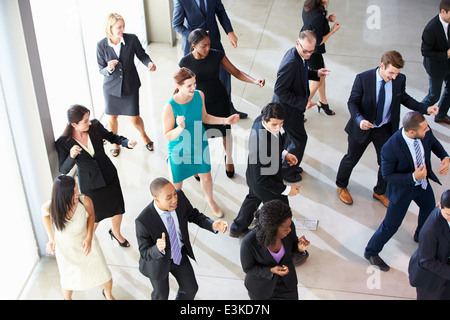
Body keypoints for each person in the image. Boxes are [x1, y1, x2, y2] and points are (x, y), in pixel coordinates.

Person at [336, 50, 439, 207]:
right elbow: (352, 102)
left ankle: (380, 191)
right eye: (391, 73)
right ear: (382, 65)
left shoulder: (398, 79)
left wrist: (426, 108)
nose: (394, 77)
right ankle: (341, 185)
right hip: (363, 127)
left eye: (397, 73)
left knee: (386, 163)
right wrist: (359, 120)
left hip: (384, 129)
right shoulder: (363, 78)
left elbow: (404, 98)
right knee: (351, 158)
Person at [364, 112, 449, 272]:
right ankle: (371, 252)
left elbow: (434, 143)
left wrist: (445, 156)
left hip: (422, 185)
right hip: (402, 190)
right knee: (391, 225)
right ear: (411, 132)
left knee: (428, 209)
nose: (428, 130)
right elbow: (387, 175)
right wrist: (412, 176)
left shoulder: (424, 132)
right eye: (424, 129)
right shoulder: (390, 148)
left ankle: (420, 235)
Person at [179, 29, 265, 178]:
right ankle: (198, 163)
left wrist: (254, 80)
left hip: (219, 99)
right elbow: (180, 86)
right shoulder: (185, 62)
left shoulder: (216, 55)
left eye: (209, 44)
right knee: (198, 135)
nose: (207, 48)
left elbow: (236, 72)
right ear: (193, 45)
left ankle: (229, 159)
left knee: (225, 132)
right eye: (203, 46)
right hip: (198, 104)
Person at [55, 104, 137, 247]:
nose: (89, 122)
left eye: (88, 118)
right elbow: (63, 169)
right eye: (85, 121)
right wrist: (71, 156)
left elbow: (112, 137)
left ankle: (116, 233)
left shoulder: (94, 127)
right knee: (95, 216)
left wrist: (126, 143)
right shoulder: (63, 143)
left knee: (117, 208)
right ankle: (87, 240)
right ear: (74, 124)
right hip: (90, 183)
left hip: (109, 175)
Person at [162, 67, 239, 217]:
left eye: (194, 83)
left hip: (198, 142)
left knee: (206, 176)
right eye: (189, 85)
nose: (193, 88)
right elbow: (167, 136)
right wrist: (180, 127)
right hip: (179, 148)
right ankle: (174, 211)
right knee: (176, 186)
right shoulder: (169, 106)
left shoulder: (199, 95)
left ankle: (210, 200)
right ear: (178, 86)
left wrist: (225, 120)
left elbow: (204, 117)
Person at [135, 177, 228, 300]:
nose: (174, 200)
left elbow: (194, 215)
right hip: (158, 263)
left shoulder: (180, 197)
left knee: (191, 289)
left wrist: (211, 224)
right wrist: (157, 248)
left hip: (179, 255)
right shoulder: (143, 221)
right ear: (156, 199)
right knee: (161, 296)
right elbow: (145, 253)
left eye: (174, 194)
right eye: (169, 197)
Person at [230, 103, 301, 238]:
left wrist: (284, 154)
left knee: (253, 199)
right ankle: (293, 248)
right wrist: (287, 190)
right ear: (265, 120)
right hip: (265, 183)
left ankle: (237, 228)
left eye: (281, 124)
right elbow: (262, 180)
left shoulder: (260, 120)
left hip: (253, 176)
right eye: (274, 124)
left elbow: (274, 141)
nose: (278, 128)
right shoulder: (260, 146)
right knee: (283, 213)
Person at [41, 175, 114, 300]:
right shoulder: (51, 206)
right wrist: (51, 238)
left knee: (103, 272)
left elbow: (91, 215)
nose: (78, 193)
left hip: (86, 243)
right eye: (74, 191)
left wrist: (89, 237)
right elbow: (44, 215)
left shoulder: (84, 201)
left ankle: (108, 293)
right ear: (63, 194)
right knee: (67, 279)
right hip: (65, 249)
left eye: (77, 188)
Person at [172, 0, 247, 119]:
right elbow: (176, 24)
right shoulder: (181, 1)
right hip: (194, 46)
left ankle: (228, 106)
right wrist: (196, 36)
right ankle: (198, 109)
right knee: (194, 80)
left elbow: (221, 12)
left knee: (225, 73)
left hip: (213, 41)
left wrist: (230, 32)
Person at [272, 30, 329, 183]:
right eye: (306, 51)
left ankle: (289, 161)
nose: (309, 55)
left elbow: (302, 72)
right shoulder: (291, 62)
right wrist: (304, 103)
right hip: (287, 109)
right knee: (299, 138)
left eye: (312, 51)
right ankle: (287, 172)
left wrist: (315, 73)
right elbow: (279, 90)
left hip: (293, 107)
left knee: (292, 136)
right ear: (298, 43)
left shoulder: (299, 55)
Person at [97, 13, 156, 157]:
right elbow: (101, 69)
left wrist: (149, 63)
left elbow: (142, 55)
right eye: (118, 27)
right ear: (110, 27)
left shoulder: (132, 39)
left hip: (130, 85)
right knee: (112, 118)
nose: (122, 30)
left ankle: (144, 135)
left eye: (123, 26)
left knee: (134, 118)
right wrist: (109, 68)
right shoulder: (101, 45)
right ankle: (116, 142)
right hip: (111, 89)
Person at [240, 200, 310, 300]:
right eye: (286, 229)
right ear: (271, 229)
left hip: (287, 285)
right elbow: (248, 269)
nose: (289, 230)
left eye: (290, 226)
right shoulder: (249, 242)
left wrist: (299, 248)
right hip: (262, 290)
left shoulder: (289, 227)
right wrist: (271, 270)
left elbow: (292, 246)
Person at [408, 189, 450, 300]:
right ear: (439, 205)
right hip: (430, 281)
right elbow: (426, 261)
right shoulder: (430, 231)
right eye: (448, 214)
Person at [301, 0, 340, 115]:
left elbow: (313, 25)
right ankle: (300, 108)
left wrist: (326, 20)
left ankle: (323, 102)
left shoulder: (308, 5)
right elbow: (318, 41)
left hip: (306, 42)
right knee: (318, 78)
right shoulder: (317, 15)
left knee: (322, 74)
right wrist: (333, 30)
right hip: (313, 50)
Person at [421, 0, 450, 125]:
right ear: (443, 12)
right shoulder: (431, 29)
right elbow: (425, 52)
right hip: (436, 68)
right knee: (433, 96)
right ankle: (414, 116)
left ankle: (441, 115)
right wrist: (446, 54)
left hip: (448, 64)